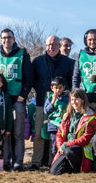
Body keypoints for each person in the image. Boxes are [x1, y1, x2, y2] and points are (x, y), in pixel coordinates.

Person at [31, 35, 76, 169]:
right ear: (46, 45)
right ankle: (36, 162)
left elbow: (73, 82)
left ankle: (55, 162)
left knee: (59, 134)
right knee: (39, 133)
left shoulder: (69, 62)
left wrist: (65, 95)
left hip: (62, 105)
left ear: (59, 45)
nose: (52, 47)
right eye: (49, 44)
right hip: (42, 101)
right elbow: (32, 80)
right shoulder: (38, 61)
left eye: (55, 44)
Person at [0, 28, 33, 171]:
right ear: (0, 40)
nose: (6, 40)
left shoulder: (22, 54)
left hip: (17, 100)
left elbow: (29, 78)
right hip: (2, 100)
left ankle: (18, 162)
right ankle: (6, 161)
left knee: (18, 132)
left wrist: (22, 96)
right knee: (5, 132)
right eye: (3, 37)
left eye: (9, 37)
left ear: (14, 39)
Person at [50, 89, 96, 175]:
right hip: (65, 148)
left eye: (76, 99)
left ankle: (76, 169)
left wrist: (66, 145)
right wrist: (61, 146)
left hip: (80, 150)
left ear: (83, 100)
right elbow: (59, 134)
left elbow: (85, 139)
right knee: (54, 172)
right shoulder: (67, 115)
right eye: (72, 99)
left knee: (69, 151)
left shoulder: (90, 117)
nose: (74, 102)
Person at [42, 77, 69, 154]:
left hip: (63, 126)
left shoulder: (67, 99)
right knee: (54, 145)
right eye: (56, 88)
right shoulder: (50, 98)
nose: (58, 90)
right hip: (53, 126)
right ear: (52, 88)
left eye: (60, 88)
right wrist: (53, 101)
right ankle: (54, 162)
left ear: (63, 87)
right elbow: (46, 111)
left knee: (63, 145)